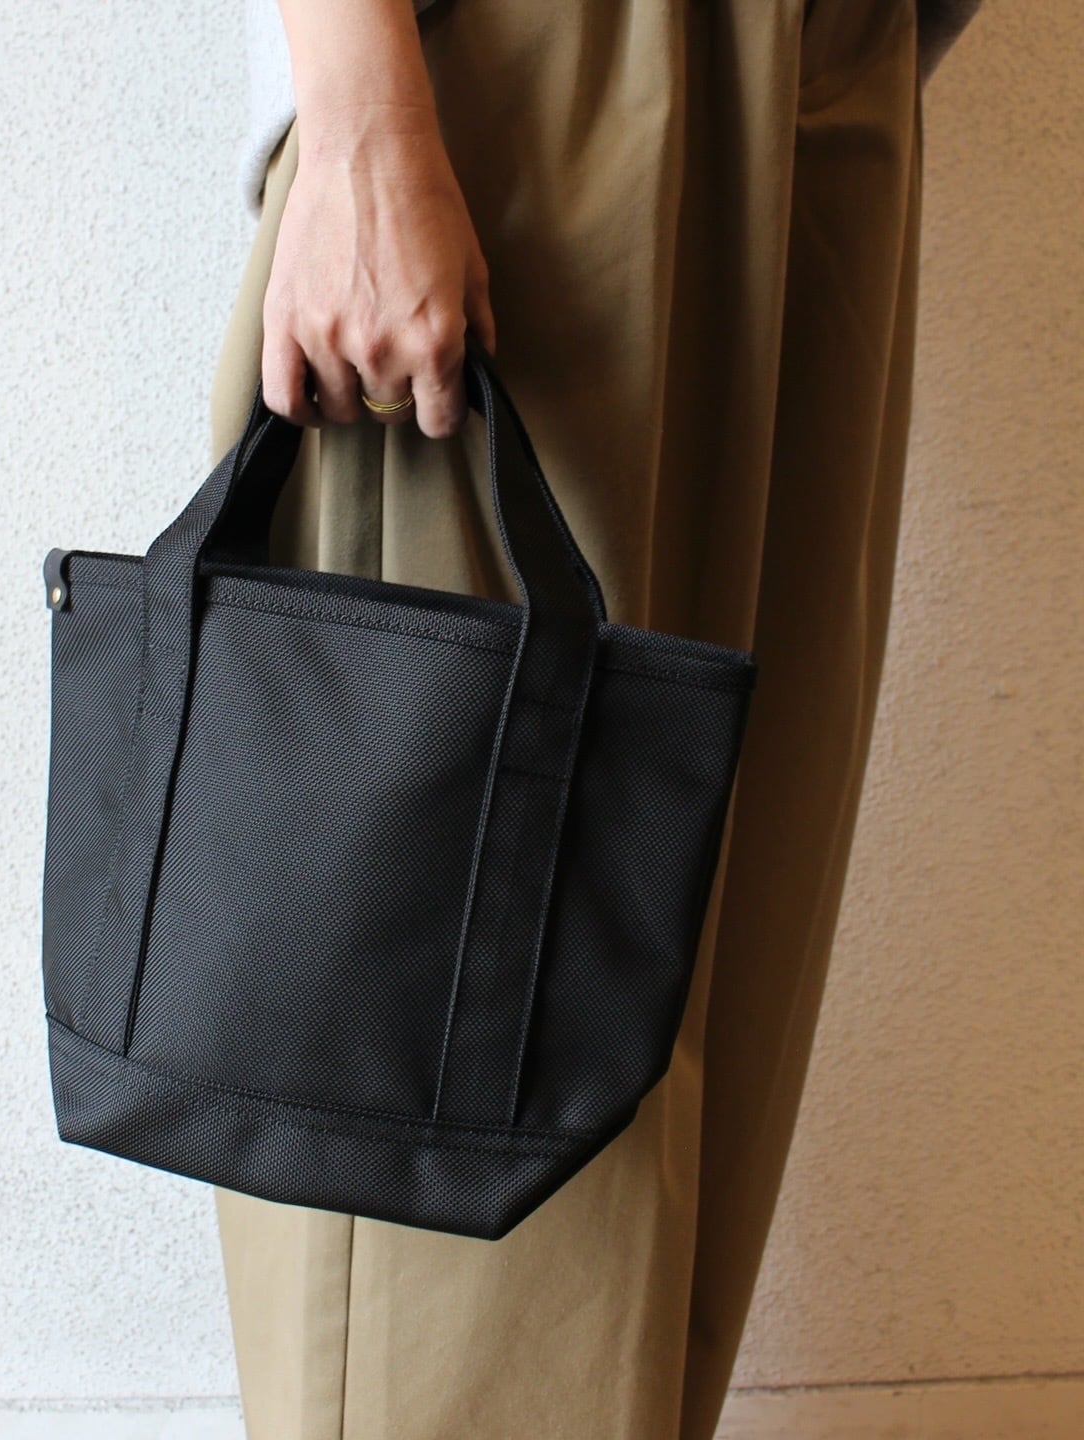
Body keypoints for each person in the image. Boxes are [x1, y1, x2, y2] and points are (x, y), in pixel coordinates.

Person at [207, 2, 984, 1436]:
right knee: (467, 1227)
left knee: (670, 1160)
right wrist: (363, 122)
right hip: (517, 83)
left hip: (828, 76)